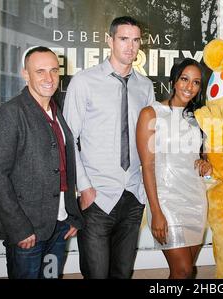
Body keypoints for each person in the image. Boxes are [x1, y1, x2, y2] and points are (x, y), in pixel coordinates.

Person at [63, 16, 155, 278]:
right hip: (97, 197)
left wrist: (145, 194)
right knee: (96, 274)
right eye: (123, 39)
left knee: (123, 273)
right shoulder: (84, 82)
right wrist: (85, 187)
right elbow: (69, 139)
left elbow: (148, 142)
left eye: (136, 40)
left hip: (133, 197)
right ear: (109, 40)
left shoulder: (145, 87)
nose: (130, 46)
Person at [0, 46, 84, 279]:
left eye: (53, 70)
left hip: (59, 225)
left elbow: (63, 166)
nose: (49, 78)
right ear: (25, 74)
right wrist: (19, 228)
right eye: (40, 71)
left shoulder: (56, 110)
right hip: (27, 229)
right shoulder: (9, 113)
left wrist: (72, 214)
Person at [137, 58, 212, 279]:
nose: (189, 87)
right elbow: (147, 167)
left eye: (196, 82)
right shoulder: (151, 114)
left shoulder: (198, 119)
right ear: (173, 81)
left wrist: (206, 161)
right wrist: (156, 212)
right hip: (166, 201)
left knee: (186, 273)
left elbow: (204, 155)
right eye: (184, 79)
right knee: (183, 270)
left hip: (195, 201)